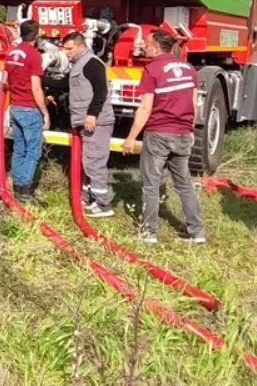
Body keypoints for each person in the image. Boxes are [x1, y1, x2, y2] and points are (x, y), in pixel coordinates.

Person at [121, 28, 204, 244]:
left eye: (147, 44)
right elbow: (194, 104)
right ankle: (197, 232)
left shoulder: (152, 69)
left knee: (151, 184)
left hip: (159, 132)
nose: (143, 47)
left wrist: (131, 137)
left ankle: (149, 233)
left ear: (157, 47)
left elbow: (146, 108)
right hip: (183, 133)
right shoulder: (188, 68)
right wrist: (190, 129)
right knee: (184, 184)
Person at [60, 30, 116, 218]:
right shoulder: (79, 64)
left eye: (70, 48)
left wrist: (92, 114)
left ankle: (103, 204)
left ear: (81, 46)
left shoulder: (91, 63)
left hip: (97, 122)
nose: (67, 52)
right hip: (86, 121)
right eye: (65, 49)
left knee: (95, 162)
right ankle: (88, 198)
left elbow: (101, 91)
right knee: (88, 161)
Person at [4, 20, 49, 202]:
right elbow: (36, 88)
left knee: (19, 149)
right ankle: (25, 191)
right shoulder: (34, 55)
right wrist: (45, 112)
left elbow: (4, 81)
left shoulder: (11, 53)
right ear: (36, 36)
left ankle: (16, 187)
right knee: (33, 151)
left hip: (15, 106)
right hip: (30, 108)